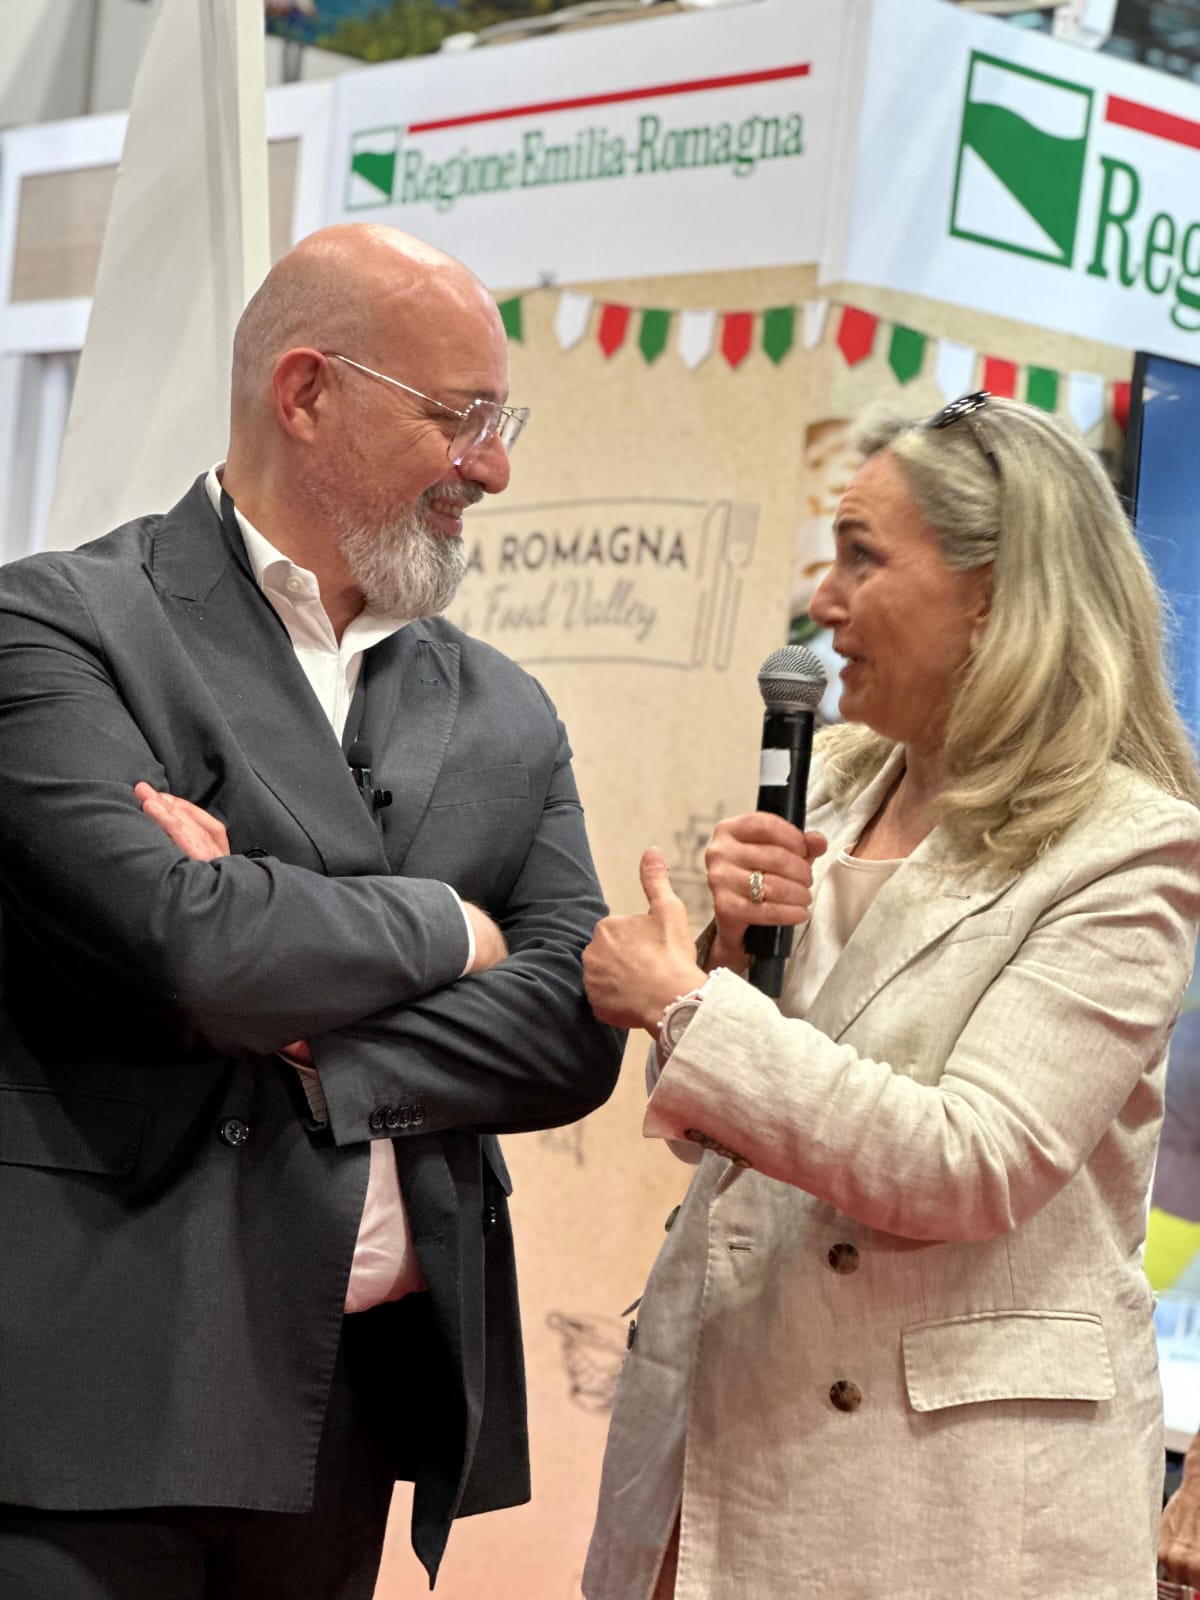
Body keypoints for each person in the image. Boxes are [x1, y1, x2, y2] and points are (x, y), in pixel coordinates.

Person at [0, 223, 621, 1599]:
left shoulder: (504, 708)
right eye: (460, 417)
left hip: (353, 1411)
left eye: (500, 423)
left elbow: (573, 1033)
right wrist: (456, 932)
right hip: (86, 1401)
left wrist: (302, 1018)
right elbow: (194, 951)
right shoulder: (57, 625)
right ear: (306, 391)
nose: (493, 468)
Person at [579, 392, 1200, 1600]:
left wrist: (691, 1010)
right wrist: (727, 954)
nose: (823, 601)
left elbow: (975, 1159)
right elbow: (723, 1137)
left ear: (994, 596)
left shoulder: (1131, 846)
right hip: (722, 1436)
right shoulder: (832, 780)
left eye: (863, 557)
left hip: (939, 1507)